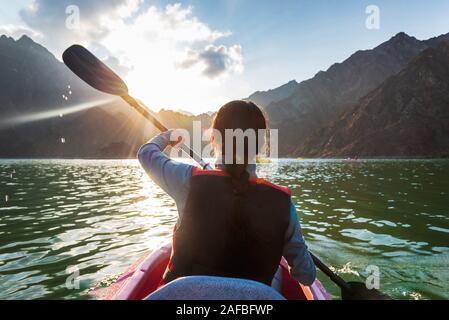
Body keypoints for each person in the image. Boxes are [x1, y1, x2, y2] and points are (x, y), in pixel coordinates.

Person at [138, 100, 316, 287]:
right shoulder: (283, 202)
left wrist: (167, 137)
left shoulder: (188, 179)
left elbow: (146, 153)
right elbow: (306, 275)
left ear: (214, 138)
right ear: (261, 144)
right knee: (278, 276)